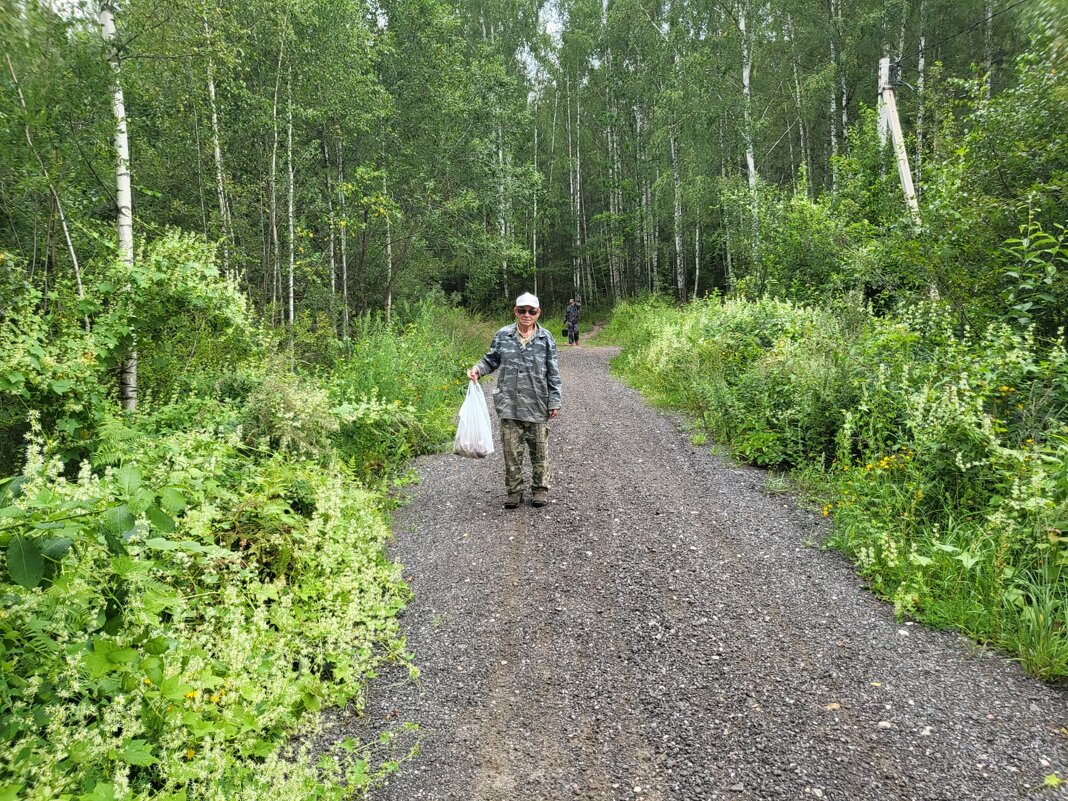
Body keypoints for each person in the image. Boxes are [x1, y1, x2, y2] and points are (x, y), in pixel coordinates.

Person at [467, 292, 562, 509]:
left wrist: (554, 400)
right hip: (509, 404)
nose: (526, 314)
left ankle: (540, 489)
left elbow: (553, 372)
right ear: (515, 311)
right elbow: (490, 359)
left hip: (537, 404)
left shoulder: (546, 338)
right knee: (511, 452)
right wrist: (477, 370)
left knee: (539, 451)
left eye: (531, 311)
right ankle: (514, 491)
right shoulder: (503, 335)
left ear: (538, 313)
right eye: (522, 310)